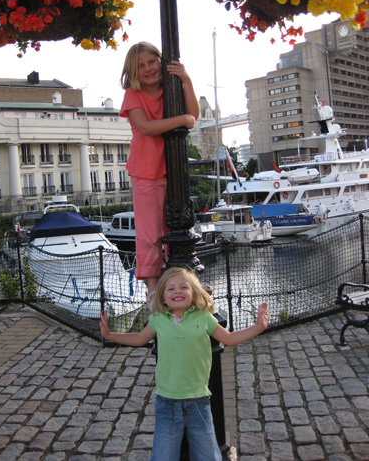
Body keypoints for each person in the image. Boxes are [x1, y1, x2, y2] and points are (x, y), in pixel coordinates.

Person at [100, 266, 270, 461]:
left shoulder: (204, 317)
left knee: (208, 456)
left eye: (183, 287)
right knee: (163, 455)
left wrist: (258, 327)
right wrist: (110, 335)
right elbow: (139, 338)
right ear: (163, 297)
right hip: (166, 401)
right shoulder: (157, 319)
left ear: (194, 293)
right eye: (171, 289)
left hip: (198, 400)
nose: (177, 291)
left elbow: (229, 338)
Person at [120, 42, 200, 308]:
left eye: (151, 62)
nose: (147, 69)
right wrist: (181, 120)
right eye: (140, 66)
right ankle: (153, 291)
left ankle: (179, 284)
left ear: (161, 61)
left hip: (172, 168)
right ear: (132, 72)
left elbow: (194, 114)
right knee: (150, 233)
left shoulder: (171, 88)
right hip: (146, 173)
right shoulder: (133, 94)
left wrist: (185, 79)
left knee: (176, 226)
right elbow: (145, 127)